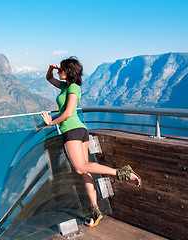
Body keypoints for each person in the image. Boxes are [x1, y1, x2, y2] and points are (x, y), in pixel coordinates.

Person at [41, 56, 141, 227]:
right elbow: (49, 78)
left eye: (61, 69)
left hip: (72, 131)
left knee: (80, 167)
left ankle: (122, 173)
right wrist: (52, 68)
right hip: (80, 131)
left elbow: (67, 113)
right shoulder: (65, 86)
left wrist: (50, 122)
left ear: (69, 71)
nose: (58, 72)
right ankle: (95, 213)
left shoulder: (73, 88)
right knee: (85, 172)